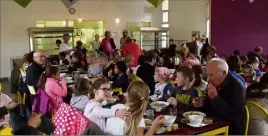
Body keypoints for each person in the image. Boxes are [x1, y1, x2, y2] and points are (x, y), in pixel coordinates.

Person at [192, 58, 245, 135]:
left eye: (211, 75)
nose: (208, 79)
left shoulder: (237, 87)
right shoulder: (213, 82)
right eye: (207, 75)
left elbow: (235, 117)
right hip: (211, 124)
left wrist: (216, 98)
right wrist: (201, 104)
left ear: (224, 73)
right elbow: (209, 106)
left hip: (230, 129)